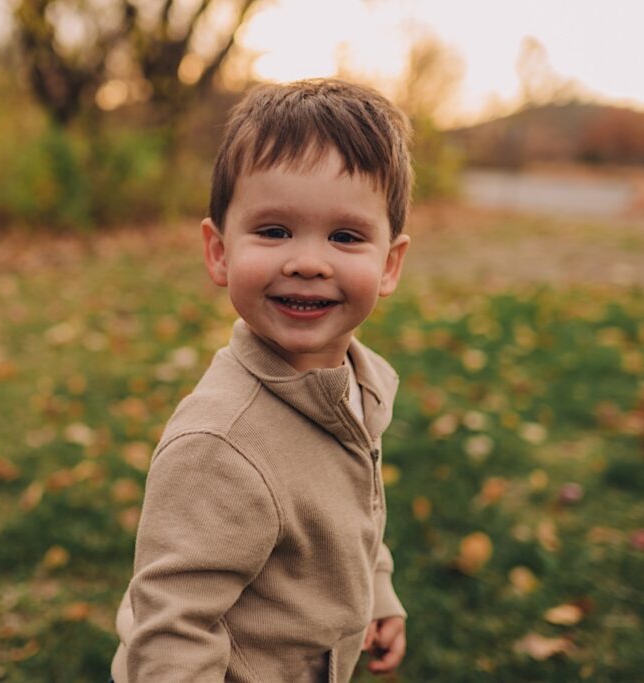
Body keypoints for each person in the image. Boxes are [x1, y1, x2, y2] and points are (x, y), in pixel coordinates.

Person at [110, 78, 413, 682]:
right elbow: (170, 635)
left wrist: (376, 590)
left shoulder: (359, 383)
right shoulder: (219, 446)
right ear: (219, 252)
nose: (307, 260)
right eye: (274, 231)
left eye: (345, 237)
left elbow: (356, 509)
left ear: (390, 264)